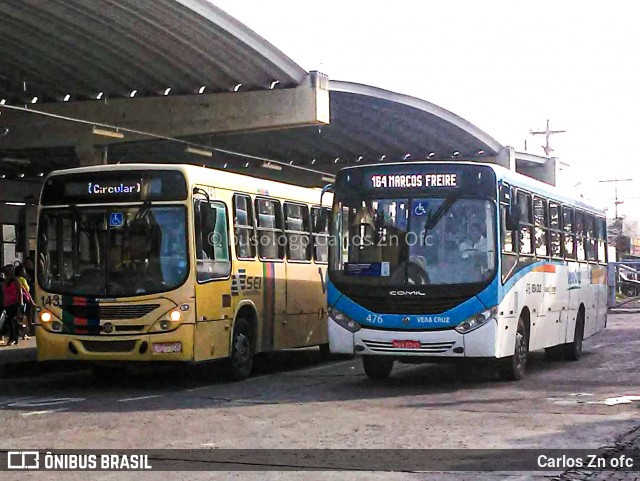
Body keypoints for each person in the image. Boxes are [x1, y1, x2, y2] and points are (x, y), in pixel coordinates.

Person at [2, 265, 24, 346]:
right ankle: (15, 338)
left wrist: (20, 304)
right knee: (11, 322)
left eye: (10, 270)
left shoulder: (16, 280)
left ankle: (12, 338)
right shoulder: (5, 281)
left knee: (11, 320)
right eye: (6, 270)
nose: (8, 272)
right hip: (7, 304)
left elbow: (20, 291)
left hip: (15, 303)